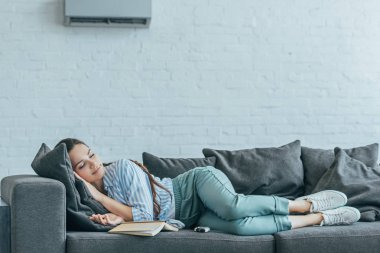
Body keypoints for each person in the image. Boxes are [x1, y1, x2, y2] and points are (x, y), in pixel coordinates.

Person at [55, 138, 361, 236]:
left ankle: (304, 204)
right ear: (76, 174)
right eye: (82, 165)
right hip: (190, 217)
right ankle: (319, 218)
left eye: (91, 154)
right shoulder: (101, 197)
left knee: (234, 207)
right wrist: (117, 218)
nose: (93, 163)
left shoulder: (120, 167)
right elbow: (138, 218)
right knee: (240, 228)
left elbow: (145, 213)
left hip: (195, 186)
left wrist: (98, 197)